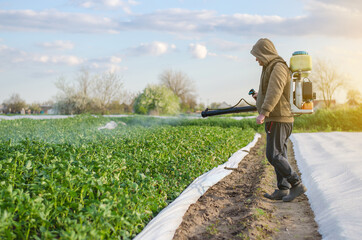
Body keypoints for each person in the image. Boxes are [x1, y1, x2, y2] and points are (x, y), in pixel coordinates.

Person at [250, 38, 307, 202]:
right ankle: (283, 189)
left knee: (273, 154)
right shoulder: (270, 67)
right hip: (277, 118)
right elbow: (270, 91)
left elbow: (275, 91)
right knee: (280, 153)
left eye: (257, 55)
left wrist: (264, 112)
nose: (256, 59)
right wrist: (258, 97)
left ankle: (296, 184)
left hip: (279, 118)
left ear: (265, 52)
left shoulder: (278, 67)